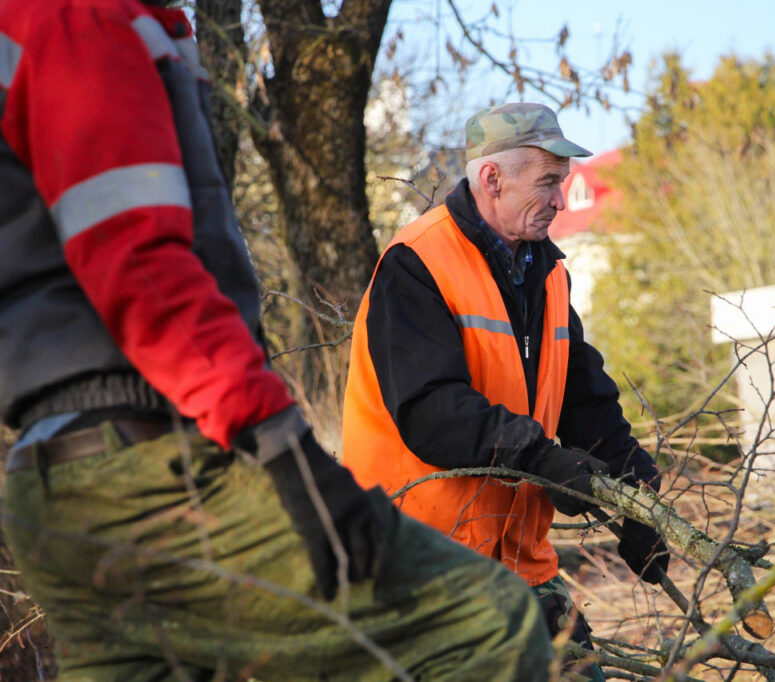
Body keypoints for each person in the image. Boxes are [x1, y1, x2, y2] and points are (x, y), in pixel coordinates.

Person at [0, 2, 552, 679]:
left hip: (53, 475)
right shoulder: (82, 16)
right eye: (549, 180)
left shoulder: (76, 25)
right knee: (486, 623)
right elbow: (139, 264)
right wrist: (281, 442)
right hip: (150, 463)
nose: (559, 199)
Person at [343, 102, 671, 679]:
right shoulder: (415, 264)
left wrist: (638, 491)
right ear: (492, 179)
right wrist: (543, 462)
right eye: (547, 182)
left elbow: (583, 396)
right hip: (422, 570)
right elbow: (431, 411)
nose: (560, 200)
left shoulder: (546, 273)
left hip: (524, 566)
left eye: (562, 183)